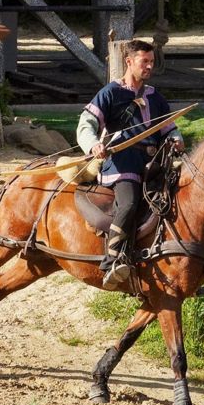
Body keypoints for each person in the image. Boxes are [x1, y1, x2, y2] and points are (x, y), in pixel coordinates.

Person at [76, 38, 181, 289]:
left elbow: (170, 129)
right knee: (131, 202)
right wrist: (94, 145)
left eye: (152, 62)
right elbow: (86, 124)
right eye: (144, 61)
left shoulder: (155, 97)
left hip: (154, 164)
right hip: (122, 165)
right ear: (129, 62)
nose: (149, 67)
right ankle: (112, 261)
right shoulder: (110, 93)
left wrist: (176, 140)